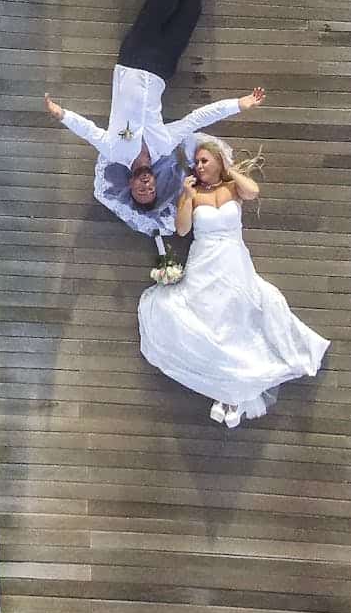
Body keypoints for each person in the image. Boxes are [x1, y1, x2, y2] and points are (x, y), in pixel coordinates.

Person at [43, 0, 265, 236]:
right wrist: (239, 104)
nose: (146, 187)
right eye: (151, 191)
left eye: (140, 192)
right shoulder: (163, 148)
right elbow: (196, 119)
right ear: (155, 183)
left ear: (130, 187)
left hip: (133, 59)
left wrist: (61, 114)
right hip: (162, 70)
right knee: (191, 10)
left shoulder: (115, 150)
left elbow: (87, 130)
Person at [138, 135, 330, 428]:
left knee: (237, 321)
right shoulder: (192, 192)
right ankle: (224, 393)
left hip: (233, 259)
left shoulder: (232, 188)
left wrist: (231, 169)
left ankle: (231, 397)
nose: (199, 166)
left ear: (217, 161)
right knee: (212, 324)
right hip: (204, 260)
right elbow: (181, 230)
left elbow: (253, 191)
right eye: (196, 162)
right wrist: (187, 197)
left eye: (204, 160)